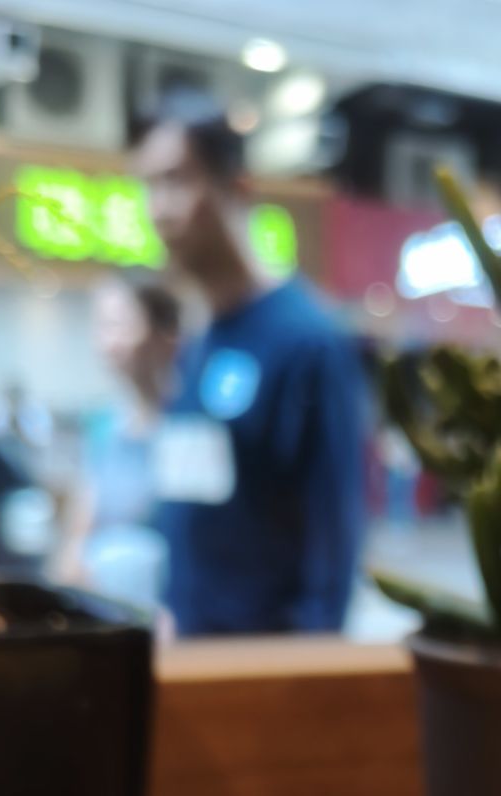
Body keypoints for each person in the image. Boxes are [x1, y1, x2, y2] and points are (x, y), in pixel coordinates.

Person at [135, 98, 367, 635]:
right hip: (187, 649)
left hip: (265, 658)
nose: (160, 209)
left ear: (236, 188)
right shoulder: (199, 338)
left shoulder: (307, 341)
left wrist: (308, 660)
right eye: (148, 186)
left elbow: (334, 538)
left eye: (177, 181)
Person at [60, 277, 182, 607]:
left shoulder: (187, 424)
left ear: (165, 335)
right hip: (109, 605)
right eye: (103, 326)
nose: (108, 342)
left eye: (121, 326)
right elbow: (78, 535)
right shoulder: (104, 425)